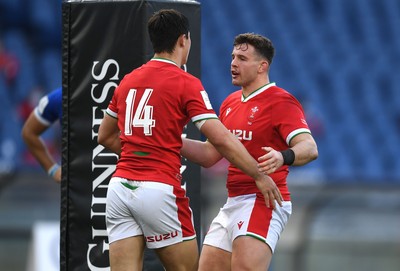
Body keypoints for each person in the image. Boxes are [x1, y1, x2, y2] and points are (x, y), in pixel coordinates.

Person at [97, 10, 282, 271]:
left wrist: (144, 149)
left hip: (119, 188)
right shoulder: (186, 83)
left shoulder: (128, 81)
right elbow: (222, 140)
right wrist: (259, 174)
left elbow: (104, 135)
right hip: (159, 187)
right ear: (184, 39)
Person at [180, 33, 319, 271]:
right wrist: (171, 140)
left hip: (263, 200)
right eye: (233, 57)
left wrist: (282, 156)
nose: (233, 63)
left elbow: (309, 147)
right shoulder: (230, 103)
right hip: (233, 200)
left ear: (262, 66)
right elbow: (209, 155)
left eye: (242, 58)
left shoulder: (281, 101)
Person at [21, 87, 62, 183]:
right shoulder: (60, 98)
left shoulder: (104, 98)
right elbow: (28, 133)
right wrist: (53, 170)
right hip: (76, 189)